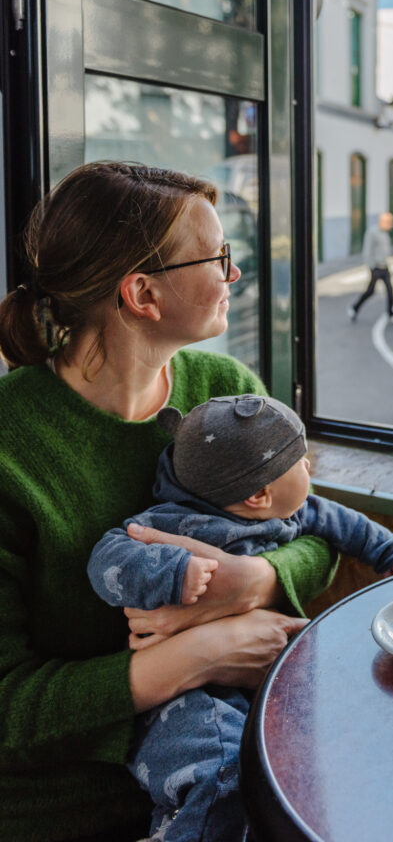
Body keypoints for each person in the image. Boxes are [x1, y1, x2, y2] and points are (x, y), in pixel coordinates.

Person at [0, 162, 338, 842]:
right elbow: (10, 711)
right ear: (144, 295)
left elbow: (315, 528)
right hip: (75, 811)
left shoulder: (224, 389)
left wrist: (258, 579)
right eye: (218, 257)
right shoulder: (11, 446)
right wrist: (202, 653)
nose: (233, 276)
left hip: (238, 766)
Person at [87, 394, 393, 842]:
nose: (310, 472)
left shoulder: (289, 512)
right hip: (179, 702)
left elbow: (337, 521)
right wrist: (174, 573)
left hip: (257, 683)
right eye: (303, 464)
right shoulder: (173, 524)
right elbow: (107, 558)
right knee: (222, 773)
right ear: (258, 494)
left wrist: (387, 550)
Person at [348, 211, 393, 323]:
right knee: (370, 291)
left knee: (390, 290)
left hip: (384, 266)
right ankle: (354, 308)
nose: (392, 225)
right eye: (389, 222)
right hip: (376, 267)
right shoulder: (373, 233)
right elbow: (367, 251)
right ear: (382, 222)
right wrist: (372, 267)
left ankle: (391, 313)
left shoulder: (385, 233)